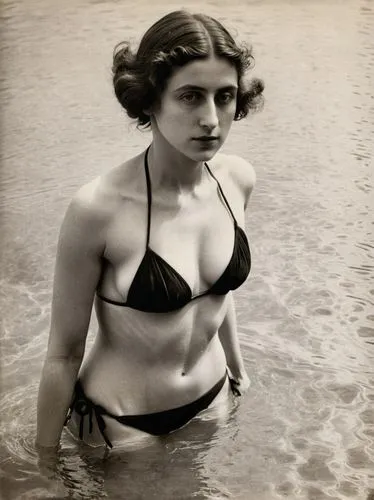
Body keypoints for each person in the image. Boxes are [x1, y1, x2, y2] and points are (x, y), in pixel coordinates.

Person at [36, 10, 264, 451]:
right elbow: (63, 354)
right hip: (123, 425)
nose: (211, 119)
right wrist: (44, 468)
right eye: (191, 96)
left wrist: (239, 371)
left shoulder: (237, 180)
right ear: (149, 99)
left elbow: (217, 291)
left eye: (225, 96)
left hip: (215, 400)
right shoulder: (98, 209)